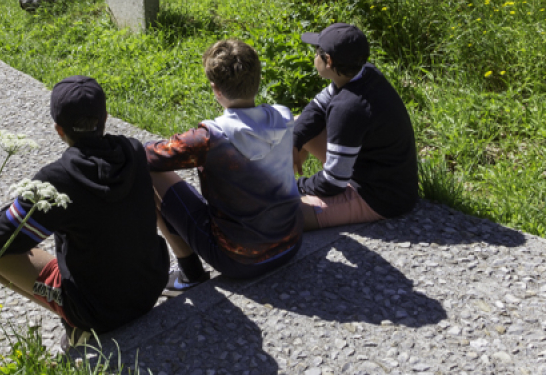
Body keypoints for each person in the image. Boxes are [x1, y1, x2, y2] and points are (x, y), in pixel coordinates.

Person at [0, 76, 169, 348]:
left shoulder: (57, 179)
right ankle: (75, 317)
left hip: (98, 311)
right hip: (150, 288)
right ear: (105, 118)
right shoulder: (133, 150)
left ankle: (77, 323)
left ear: (58, 129)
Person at [146, 39, 303, 295]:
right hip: (291, 243)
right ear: (258, 81)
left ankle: (190, 274)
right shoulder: (283, 116)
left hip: (239, 260)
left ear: (215, 89)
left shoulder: (209, 137)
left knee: (152, 172)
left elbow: (148, 156)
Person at [293, 23, 418, 231]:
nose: (315, 56)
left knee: (283, 215)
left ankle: (285, 191)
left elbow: (333, 183)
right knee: (298, 123)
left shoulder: (349, 108)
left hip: (379, 196)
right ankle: (284, 180)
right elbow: (317, 106)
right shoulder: (363, 72)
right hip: (367, 169)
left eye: (317, 52)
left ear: (329, 61)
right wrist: (294, 140)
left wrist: (296, 188)